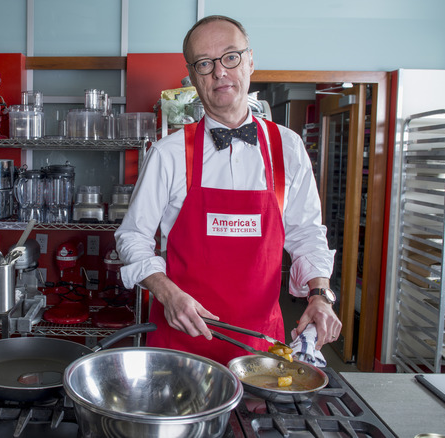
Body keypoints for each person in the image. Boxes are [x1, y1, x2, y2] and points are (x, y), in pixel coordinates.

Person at [114, 15, 342, 365]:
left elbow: (307, 234)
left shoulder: (288, 147)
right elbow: (132, 237)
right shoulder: (168, 154)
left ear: (250, 60)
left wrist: (320, 295)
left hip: (261, 348)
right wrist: (166, 292)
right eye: (205, 63)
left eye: (230, 57)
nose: (219, 72)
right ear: (192, 76)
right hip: (182, 345)